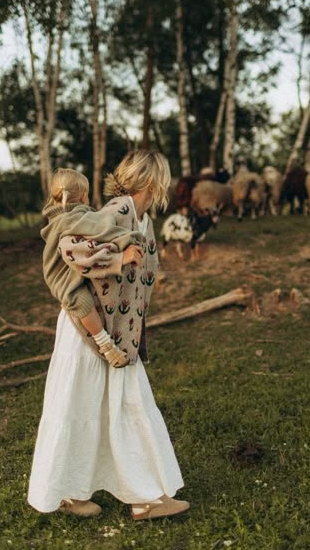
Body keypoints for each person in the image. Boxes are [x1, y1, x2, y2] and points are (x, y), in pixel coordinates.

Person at [28, 150, 189, 520]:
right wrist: (117, 258)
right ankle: (144, 497)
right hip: (90, 332)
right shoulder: (118, 211)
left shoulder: (139, 216)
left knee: (85, 406)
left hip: (116, 331)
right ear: (153, 183)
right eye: (164, 178)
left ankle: (72, 491)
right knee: (117, 405)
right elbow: (70, 245)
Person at [41, 168, 144, 368]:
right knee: (80, 301)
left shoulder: (65, 216)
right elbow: (101, 228)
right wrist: (126, 242)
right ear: (83, 195)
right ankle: (106, 345)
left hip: (69, 268)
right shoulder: (72, 218)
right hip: (61, 277)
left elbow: (95, 229)